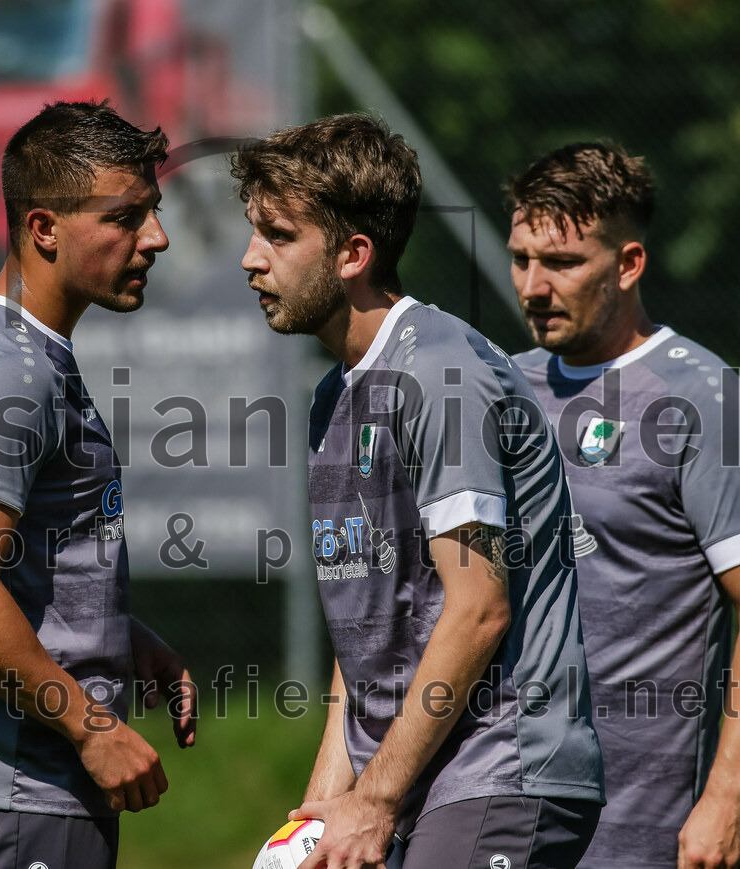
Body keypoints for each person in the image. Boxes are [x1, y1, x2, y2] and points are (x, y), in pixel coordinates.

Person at [231, 114, 604, 868]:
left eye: (277, 234)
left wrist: (372, 800)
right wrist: (320, 812)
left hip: (502, 766)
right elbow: (365, 635)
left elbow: (479, 606)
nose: (250, 259)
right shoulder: (332, 397)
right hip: (412, 777)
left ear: (352, 254)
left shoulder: (438, 372)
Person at [0, 99, 197, 869]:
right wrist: (94, 727)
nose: (155, 238)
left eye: (154, 212)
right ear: (44, 229)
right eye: (127, 217)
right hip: (14, 782)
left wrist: (120, 637)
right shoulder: (11, 370)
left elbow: (14, 561)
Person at [507, 141, 740, 869]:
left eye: (564, 262)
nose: (534, 286)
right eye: (521, 258)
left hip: (646, 828)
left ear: (629, 263)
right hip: (498, 810)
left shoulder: (703, 398)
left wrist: (727, 798)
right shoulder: (500, 386)